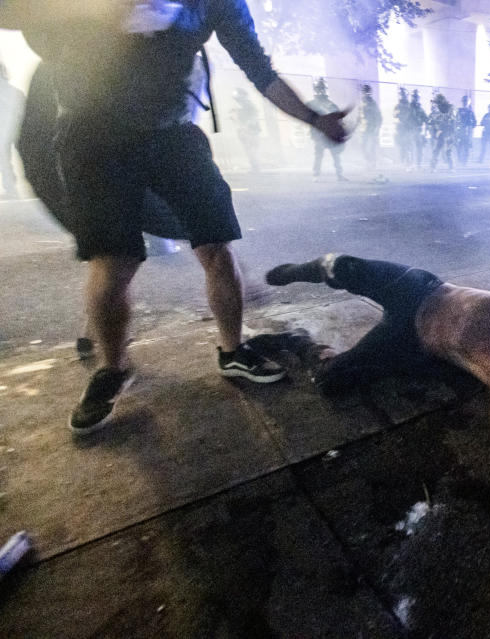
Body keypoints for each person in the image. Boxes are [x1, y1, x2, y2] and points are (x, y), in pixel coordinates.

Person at [4, 0, 349, 435]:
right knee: (114, 262)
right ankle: (113, 368)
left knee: (215, 243)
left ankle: (233, 351)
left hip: (173, 133)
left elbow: (258, 67)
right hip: (94, 137)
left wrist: (316, 119)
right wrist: (99, 12)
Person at [265, 166, 490, 526]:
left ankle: (304, 345)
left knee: (332, 379)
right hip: (420, 288)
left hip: (410, 339)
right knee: (343, 267)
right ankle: (300, 270)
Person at [306, 78, 346, 182]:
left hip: (330, 134)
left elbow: (339, 119)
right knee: (319, 155)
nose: (320, 91)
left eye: (322, 89)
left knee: (335, 155)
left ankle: (339, 174)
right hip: (319, 135)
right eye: (319, 89)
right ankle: (316, 175)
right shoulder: (312, 104)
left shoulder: (331, 105)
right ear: (315, 90)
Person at [0, 62, 24, 199]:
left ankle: (11, 187)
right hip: (14, 128)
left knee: (4, 157)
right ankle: (11, 187)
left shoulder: (8, 91)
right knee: (5, 157)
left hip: (5, 130)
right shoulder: (14, 91)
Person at [428, 92, 455, 172]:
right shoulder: (437, 110)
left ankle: (451, 167)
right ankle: (433, 167)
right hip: (441, 133)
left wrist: (439, 121)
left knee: (448, 151)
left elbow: (450, 119)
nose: (436, 104)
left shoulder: (450, 108)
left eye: (438, 102)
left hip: (449, 132)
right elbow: (432, 121)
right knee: (436, 150)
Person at [358, 84, 382, 173]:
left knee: (372, 146)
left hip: (372, 128)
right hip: (363, 129)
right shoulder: (361, 103)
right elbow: (359, 116)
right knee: (362, 146)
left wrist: (377, 128)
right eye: (364, 92)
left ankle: (372, 163)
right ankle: (368, 161)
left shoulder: (373, 103)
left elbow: (379, 117)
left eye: (367, 92)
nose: (365, 94)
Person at [408, 89, 428, 170]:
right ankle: (410, 164)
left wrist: (426, 131)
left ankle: (418, 164)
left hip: (418, 130)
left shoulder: (420, 109)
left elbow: (426, 119)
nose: (416, 98)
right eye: (414, 97)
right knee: (410, 148)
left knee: (419, 148)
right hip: (410, 130)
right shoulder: (408, 108)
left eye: (417, 97)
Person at [393, 86, 412, 168]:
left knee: (407, 145)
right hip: (400, 127)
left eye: (403, 94)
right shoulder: (398, 106)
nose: (402, 96)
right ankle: (402, 160)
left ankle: (408, 161)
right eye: (401, 94)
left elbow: (411, 116)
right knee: (401, 144)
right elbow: (394, 115)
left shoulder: (408, 106)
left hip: (406, 127)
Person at [454, 95, 476, 165]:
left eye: (466, 101)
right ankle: (459, 160)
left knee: (466, 146)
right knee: (459, 145)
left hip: (467, 131)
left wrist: (470, 128)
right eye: (464, 101)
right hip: (460, 131)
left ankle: (465, 161)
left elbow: (475, 122)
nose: (465, 102)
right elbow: (455, 120)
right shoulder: (459, 110)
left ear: (469, 102)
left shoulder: (471, 112)